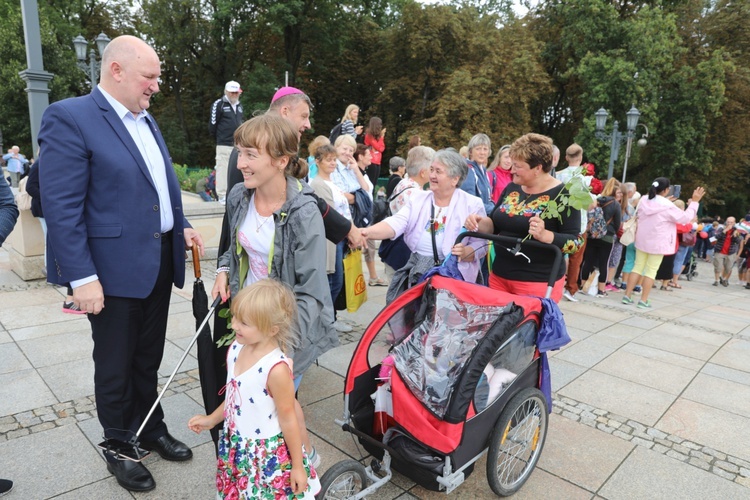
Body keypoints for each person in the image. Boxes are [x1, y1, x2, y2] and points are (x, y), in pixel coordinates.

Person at [38, 35, 205, 492]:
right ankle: (117, 444)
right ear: (116, 70)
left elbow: (158, 188)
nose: (155, 85)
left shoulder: (147, 120)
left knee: (147, 358)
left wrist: (183, 223)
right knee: (115, 363)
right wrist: (82, 278)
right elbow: (61, 206)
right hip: (108, 274)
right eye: (149, 76)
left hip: (155, 263)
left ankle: (148, 427)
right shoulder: (70, 117)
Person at [212, 112, 337, 392]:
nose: (241, 163)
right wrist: (223, 270)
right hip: (249, 322)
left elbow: (311, 294)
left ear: (281, 161)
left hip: (284, 333)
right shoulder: (239, 195)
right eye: (240, 153)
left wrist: (277, 351)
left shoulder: (304, 213)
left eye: (251, 155)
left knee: (277, 419)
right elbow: (233, 248)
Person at [189, 280, 320, 499]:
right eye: (234, 317)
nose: (234, 325)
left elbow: (289, 419)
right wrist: (212, 419)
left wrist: (298, 466)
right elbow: (235, 396)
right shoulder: (236, 348)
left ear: (272, 329)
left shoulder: (275, 370)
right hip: (238, 445)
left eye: (244, 323)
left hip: (266, 455)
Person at [465, 133, 583, 303]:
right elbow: (495, 225)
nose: (511, 170)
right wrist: (479, 223)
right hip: (499, 277)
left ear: (537, 168)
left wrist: (545, 235)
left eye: (518, 166)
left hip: (537, 282)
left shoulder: (564, 195)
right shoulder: (513, 187)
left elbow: (575, 243)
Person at [362, 149, 487, 301]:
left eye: (438, 171)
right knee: (415, 318)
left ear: (455, 179)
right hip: (418, 271)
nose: (432, 175)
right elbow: (396, 222)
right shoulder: (418, 198)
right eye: (432, 170)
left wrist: (467, 251)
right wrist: (366, 232)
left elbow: (482, 243)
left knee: (446, 321)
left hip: (453, 275)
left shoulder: (471, 203)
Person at [621, 178, 704, 309]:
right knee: (651, 271)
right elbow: (685, 218)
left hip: (642, 239)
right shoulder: (667, 205)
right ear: (666, 190)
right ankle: (643, 300)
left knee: (637, 267)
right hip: (658, 243)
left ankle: (627, 296)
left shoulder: (644, 200)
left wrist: (666, 202)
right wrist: (694, 202)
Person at [310, 144, 351, 317]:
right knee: (333, 281)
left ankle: (329, 316)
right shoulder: (318, 184)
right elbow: (330, 213)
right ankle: (326, 318)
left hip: (340, 237)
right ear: (318, 162)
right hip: (332, 238)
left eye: (334, 160)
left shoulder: (332, 182)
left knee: (337, 281)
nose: (333, 163)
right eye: (329, 160)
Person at [580, 177, 621, 297]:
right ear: (614, 192)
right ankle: (601, 289)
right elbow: (617, 223)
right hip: (607, 237)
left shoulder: (596, 200)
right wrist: (613, 230)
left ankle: (583, 285)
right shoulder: (615, 204)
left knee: (588, 261)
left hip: (592, 235)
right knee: (604, 262)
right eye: (618, 192)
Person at [210, 81, 244, 204]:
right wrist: (220, 138)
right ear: (227, 92)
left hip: (237, 144)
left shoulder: (239, 106)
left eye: (237, 92)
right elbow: (212, 125)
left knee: (238, 168)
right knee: (222, 169)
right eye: (233, 92)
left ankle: (236, 194)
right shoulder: (219, 104)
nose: (235, 95)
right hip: (223, 142)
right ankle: (222, 195)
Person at [460, 133, 495, 214]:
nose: (482, 152)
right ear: (471, 151)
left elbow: (488, 199)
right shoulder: (468, 170)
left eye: (485, 149)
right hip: (471, 220)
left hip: (483, 215)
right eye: (478, 149)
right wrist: (495, 210)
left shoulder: (483, 170)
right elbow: (470, 202)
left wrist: (496, 207)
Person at [712, 216, 743, 286]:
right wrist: (724, 231)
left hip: (730, 252)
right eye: (728, 222)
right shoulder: (721, 229)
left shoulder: (737, 231)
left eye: (731, 222)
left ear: (734, 223)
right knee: (718, 267)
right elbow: (715, 238)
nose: (729, 223)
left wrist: (735, 235)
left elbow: (738, 242)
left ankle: (723, 279)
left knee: (728, 268)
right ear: (726, 221)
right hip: (720, 250)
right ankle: (716, 280)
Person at [364, 116, 386, 193]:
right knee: (370, 183)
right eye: (379, 125)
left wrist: (380, 139)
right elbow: (379, 147)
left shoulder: (377, 137)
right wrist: (381, 137)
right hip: (371, 161)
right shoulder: (369, 136)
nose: (380, 126)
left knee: (374, 183)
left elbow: (382, 148)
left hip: (377, 161)